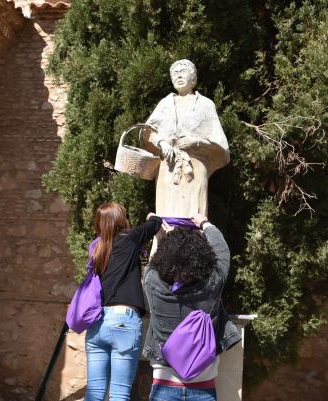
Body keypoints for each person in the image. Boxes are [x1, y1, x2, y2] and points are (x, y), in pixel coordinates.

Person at [142, 214, 241, 401]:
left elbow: (153, 265)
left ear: (164, 256)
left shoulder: (153, 284)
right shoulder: (213, 283)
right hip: (203, 387)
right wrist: (205, 223)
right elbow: (222, 252)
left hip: (164, 384)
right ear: (202, 256)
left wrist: (163, 237)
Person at [84, 202, 162, 401]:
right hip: (123, 321)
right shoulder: (129, 238)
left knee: (94, 393)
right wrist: (151, 216)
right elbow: (155, 223)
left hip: (97, 323)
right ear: (120, 219)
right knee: (119, 395)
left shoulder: (96, 247)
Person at [141, 59, 230, 218]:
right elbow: (148, 132)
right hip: (168, 167)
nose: (178, 75)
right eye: (175, 73)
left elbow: (220, 142)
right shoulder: (165, 104)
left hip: (194, 168)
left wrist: (196, 141)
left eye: (183, 71)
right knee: (166, 216)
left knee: (194, 215)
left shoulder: (205, 105)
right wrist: (162, 144)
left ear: (193, 78)